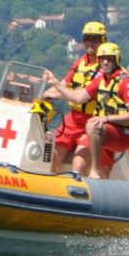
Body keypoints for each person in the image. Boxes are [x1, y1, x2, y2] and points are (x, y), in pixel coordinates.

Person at [49, 40, 129, 179]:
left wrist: (106, 118)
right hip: (103, 130)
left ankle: (94, 171)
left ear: (116, 60)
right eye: (102, 59)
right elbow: (78, 98)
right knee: (79, 162)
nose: (105, 63)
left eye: (109, 59)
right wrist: (56, 84)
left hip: (123, 134)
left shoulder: (126, 83)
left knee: (93, 125)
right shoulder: (100, 80)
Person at [39, 21, 107, 173]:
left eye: (95, 38)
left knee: (78, 164)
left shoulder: (104, 68)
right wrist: (43, 95)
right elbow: (63, 87)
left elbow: (80, 98)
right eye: (87, 38)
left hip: (92, 120)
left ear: (103, 41)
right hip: (73, 119)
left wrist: (55, 84)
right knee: (51, 155)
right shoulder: (79, 63)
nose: (90, 42)